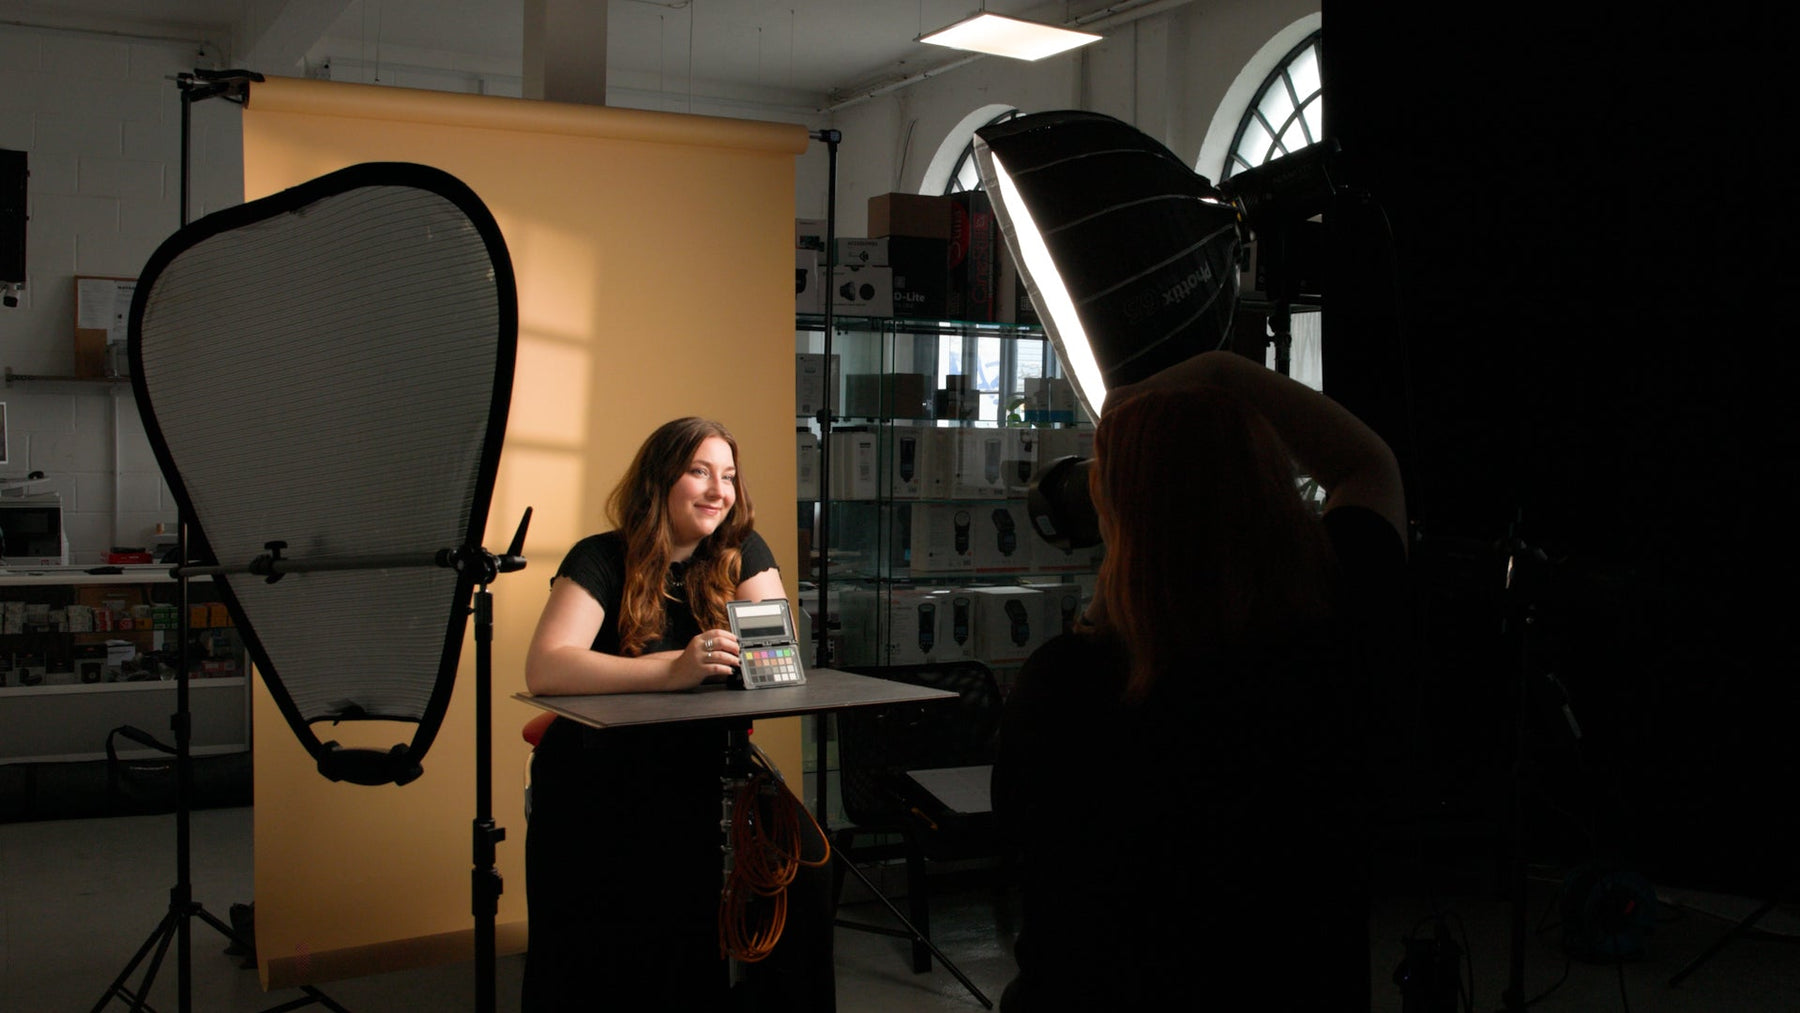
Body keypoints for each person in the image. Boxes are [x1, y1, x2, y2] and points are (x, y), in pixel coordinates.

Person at [991, 350, 1408, 1010]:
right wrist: (1221, 371)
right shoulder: (1330, 626)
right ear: (1272, 486)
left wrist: (1108, 592)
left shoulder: (1067, 684)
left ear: (1116, 515)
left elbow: (1031, 845)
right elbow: (1368, 465)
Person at [521, 416, 833, 1013]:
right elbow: (547, 666)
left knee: (806, 874)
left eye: (729, 476)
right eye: (699, 472)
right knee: (640, 911)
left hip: (705, 769)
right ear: (659, 480)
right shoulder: (600, 557)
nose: (719, 490)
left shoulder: (743, 552)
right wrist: (673, 670)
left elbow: (773, 662)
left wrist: (746, 659)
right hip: (598, 775)